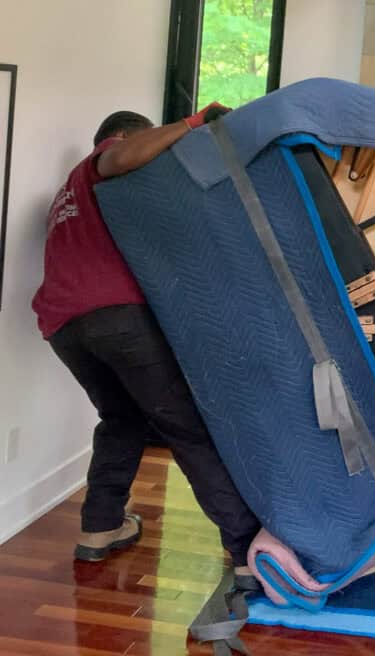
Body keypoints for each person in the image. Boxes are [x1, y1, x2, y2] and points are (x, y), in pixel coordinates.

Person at [32, 105, 262, 576]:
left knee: (121, 419)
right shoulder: (105, 159)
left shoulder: (68, 195)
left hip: (65, 327)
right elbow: (122, 157)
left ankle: (101, 528)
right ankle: (245, 552)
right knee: (187, 428)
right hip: (115, 320)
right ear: (119, 137)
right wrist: (194, 123)